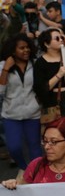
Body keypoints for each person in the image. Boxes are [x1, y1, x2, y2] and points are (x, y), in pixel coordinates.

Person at [1, 117, 65, 189]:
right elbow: (22, 195)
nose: (47, 147)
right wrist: (13, 186)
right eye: (45, 141)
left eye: (54, 142)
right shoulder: (35, 166)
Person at [0, 34, 42, 172]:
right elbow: (0, 91)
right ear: (13, 50)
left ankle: (37, 175)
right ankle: (25, 169)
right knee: (14, 148)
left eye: (28, 47)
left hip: (33, 113)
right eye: (21, 48)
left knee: (35, 148)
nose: (26, 50)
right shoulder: (2, 66)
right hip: (11, 114)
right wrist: (6, 69)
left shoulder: (35, 63)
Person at [33, 28, 65, 119]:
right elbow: (40, 89)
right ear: (46, 44)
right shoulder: (40, 63)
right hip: (52, 104)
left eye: (61, 37)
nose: (61, 40)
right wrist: (59, 75)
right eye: (57, 38)